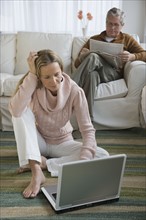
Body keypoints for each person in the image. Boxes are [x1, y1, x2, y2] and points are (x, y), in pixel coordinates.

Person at [9, 49, 109, 199]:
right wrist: (31, 75)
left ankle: (44, 163)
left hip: (63, 143)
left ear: (62, 70)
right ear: (39, 77)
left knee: (102, 154)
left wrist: (83, 162)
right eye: (47, 77)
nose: (53, 81)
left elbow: (87, 130)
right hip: (40, 142)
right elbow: (16, 111)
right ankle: (37, 171)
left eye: (56, 74)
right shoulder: (34, 86)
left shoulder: (75, 91)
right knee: (19, 114)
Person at [72, 7, 146, 120]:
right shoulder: (94, 39)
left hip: (113, 74)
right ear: (105, 23)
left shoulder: (127, 39)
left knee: (93, 56)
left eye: (116, 25)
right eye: (109, 24)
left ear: (122, 25)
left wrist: (132, 56)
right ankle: (87, 120)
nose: (112, 28)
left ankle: (68, 88)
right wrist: (82, 56)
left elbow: (144, 54)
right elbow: (77, 64)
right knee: (92, 75)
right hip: (97, 74)